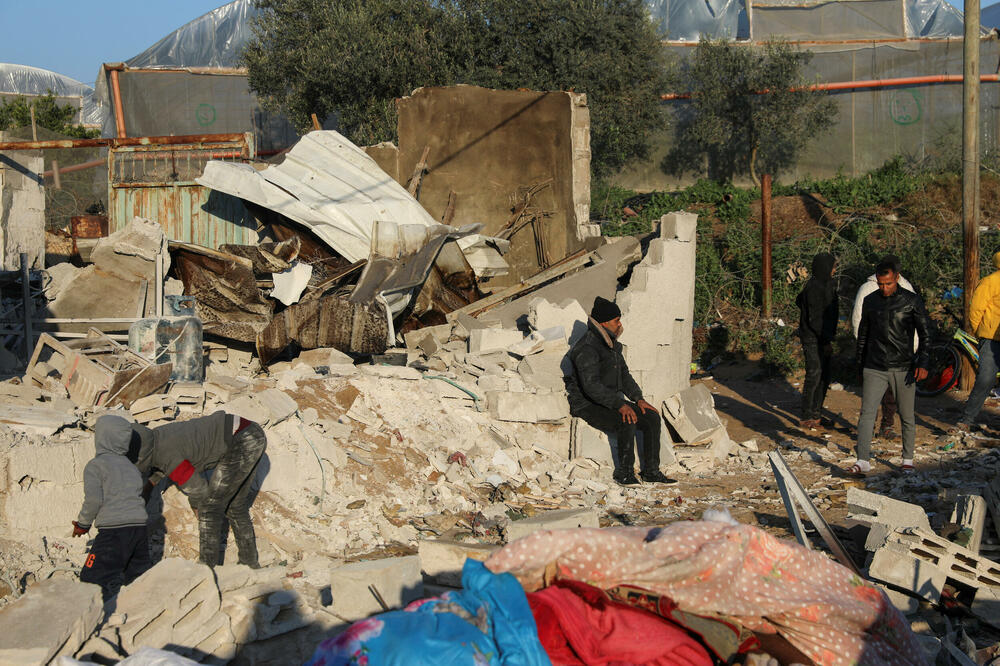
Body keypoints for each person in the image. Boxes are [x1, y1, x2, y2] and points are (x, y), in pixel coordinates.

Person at [133, 411, 267, 568]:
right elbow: (157, 472)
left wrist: (196, 506)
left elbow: (199, 489)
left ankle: (205, 569)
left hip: (242, 439)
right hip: (247, 431)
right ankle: (250, 564)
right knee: (235, 506)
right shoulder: (155, 439)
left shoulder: (167, 456)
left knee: (209, 507)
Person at [566, 296, 675, 486]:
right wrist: (620, 404)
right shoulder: (587, 348)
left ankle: (651, 471)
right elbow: (591, 387)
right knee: (626, 419)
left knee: (651, 417)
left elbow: (624, 375)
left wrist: (638, 398)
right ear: (604, 323)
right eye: (617, 320)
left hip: (609, 401)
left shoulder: (611, 345)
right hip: (586, 404)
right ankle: (624, 474)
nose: (620, 324)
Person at [849, 260, 931, 475]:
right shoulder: (870, 300)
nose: (884, 288)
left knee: (906, 415)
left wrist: (922, 362)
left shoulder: (911, 300)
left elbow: (925, 335)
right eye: (880, 284)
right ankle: (863, 459)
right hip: (874, 366)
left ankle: (908, 460)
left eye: (888, 283)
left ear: (896, 278)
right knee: (867, 413)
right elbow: (863, 335)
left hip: (903, 367)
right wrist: (860, 364)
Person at [73, 414, 151, 601]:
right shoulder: (132, 468)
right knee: (139, 579)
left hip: (113, 532)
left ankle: (96, 621)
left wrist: (83, 525)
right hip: (139, 530)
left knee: (91, 580)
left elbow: (93, 501)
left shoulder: (96, 466)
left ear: (102, 438)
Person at [851, 254, 918, 440]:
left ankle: (887, 425)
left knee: (892, 396)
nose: (885, 288)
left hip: (899, 356)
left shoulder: (907, 290)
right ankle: (867, 429)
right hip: (874, 356)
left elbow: (915, 326)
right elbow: (859, 321)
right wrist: (863, 349)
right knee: (870, 400)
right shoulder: (868, 290)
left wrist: (912, 350)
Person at [954, 251, 1000, 432]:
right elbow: (975, 311)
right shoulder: (990, 281)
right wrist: (981, 332)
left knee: (985, 380)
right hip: (990, 339)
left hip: (989, 338)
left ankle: (967, 419)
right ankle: (967, 419)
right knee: (985, 379)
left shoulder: (989, 280)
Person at [795, 252, 838, 428]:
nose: (834, 270)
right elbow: (815, 319)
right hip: (813, 338)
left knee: (824, 376)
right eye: (833, 266)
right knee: (814, 375)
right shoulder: (815, 287)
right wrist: (826, 341)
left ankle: (816, 414)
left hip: (821, 336)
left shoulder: (826, 284)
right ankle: (807, 416)